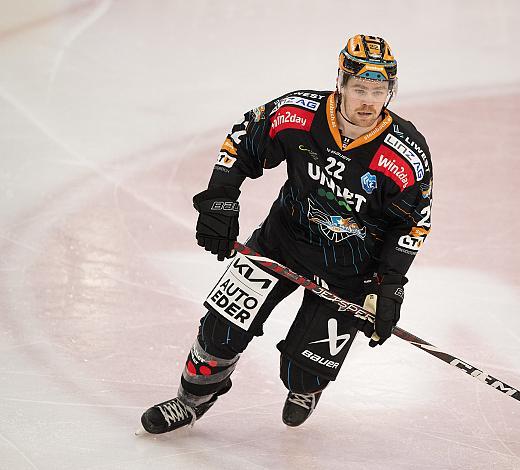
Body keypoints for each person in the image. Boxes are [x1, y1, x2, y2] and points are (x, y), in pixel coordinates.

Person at [140, 34, 433, 434]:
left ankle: (307, 387)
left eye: (379, 91)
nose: (369, 101)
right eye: (360, 88)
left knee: (304, 372)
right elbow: (245, 137)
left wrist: (390, 283)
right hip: (281, 243)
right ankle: (191, 400)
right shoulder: (299, 113)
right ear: (341, 84)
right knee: (219, 331)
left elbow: (413, 222)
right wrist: (220, 199)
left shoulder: (404, 153)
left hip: (350, 267)